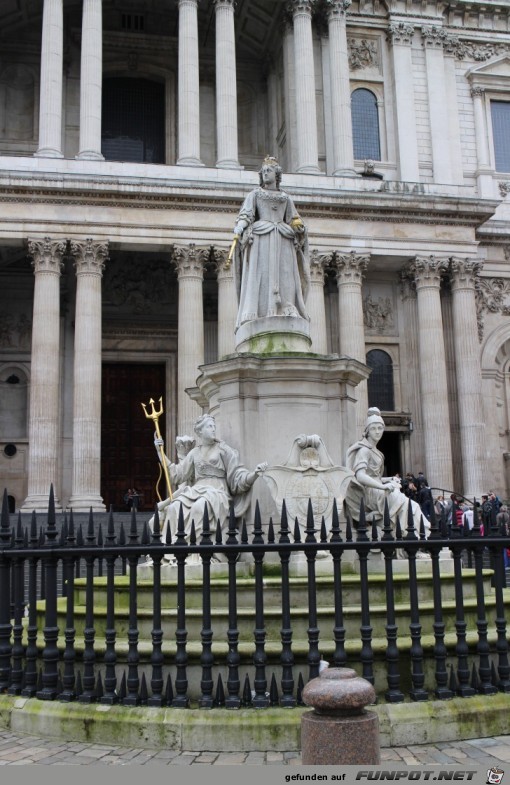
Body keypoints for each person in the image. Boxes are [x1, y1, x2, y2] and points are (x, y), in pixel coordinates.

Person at [151, 414, 267, 562]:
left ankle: (192, 551)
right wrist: (160, 453)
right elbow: (176, 475)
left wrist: (254, 474)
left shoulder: (224, 450)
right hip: (195, 491)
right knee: (175, 508)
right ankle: (170, 550)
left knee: (200, 507)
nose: (213, 429)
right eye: (209, 426)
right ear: (199, 432)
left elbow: (237, 477)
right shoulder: (194, 453)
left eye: (214, 426)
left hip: (217, 492)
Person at [232, 156, 311, 330]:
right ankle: (256, 310)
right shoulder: (254, 194)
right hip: (262, 236)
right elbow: (247, 214)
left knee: (286, 272)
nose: (266, 174)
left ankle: (287, 306)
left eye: (269, 171)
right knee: (260, 271)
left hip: (283, 236)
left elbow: (294, 219)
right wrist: (240, 227)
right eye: (264, 171)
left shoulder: (285, 197)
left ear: (277, 174)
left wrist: (300, 229)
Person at [344, 407, 428, 540]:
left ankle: (421, 535)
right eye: (373, 428)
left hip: (377, 490)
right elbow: (360, 476)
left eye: (380, 428)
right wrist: (383, 486)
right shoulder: (364, 450)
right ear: (367, 431)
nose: (377, 432)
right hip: (370, 493)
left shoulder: (378, 452)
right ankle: (421, 537)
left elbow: (375, 477)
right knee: (407, 505)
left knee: (411, 506)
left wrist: (390, 479)